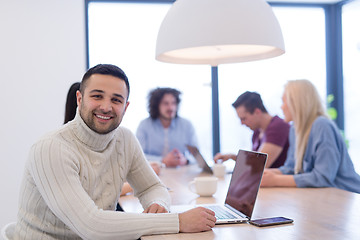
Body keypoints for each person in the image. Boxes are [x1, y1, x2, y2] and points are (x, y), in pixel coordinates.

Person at [15, 64, 216, 239]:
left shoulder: (125, 139)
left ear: (126, 107)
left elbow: (152, 187)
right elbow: (91, 226)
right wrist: (177, 222)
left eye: (116, 100)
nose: (106, 107)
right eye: (97, 96)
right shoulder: (51, 147)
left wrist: (158, 204)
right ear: (79, 98)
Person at [261, 79, 360, 194]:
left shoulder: (322, 126)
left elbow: (323, 177)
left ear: (297, 102)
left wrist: (276, 180)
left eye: (284, 102)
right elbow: (292, 168)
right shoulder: (294, 129)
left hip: (347, 196)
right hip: (320, 196)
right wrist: (269, 173)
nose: (282, 107)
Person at [214, 91, 290, 168]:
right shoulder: (257, 132)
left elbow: (258, 165)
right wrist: (231, 156)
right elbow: (253, 162)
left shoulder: (278, 127)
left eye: (243, 118)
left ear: (257, 112)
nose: (242, 123)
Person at [136, 87, 198, 167]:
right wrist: (162, 160)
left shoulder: (187, 125)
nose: (171, 108)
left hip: (181, 174)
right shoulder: (144, 125)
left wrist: (186, 160)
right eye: (165, 103)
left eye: (173, 103)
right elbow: (137, 156)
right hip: (154, 173)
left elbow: (197, 157)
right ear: (156, 105)